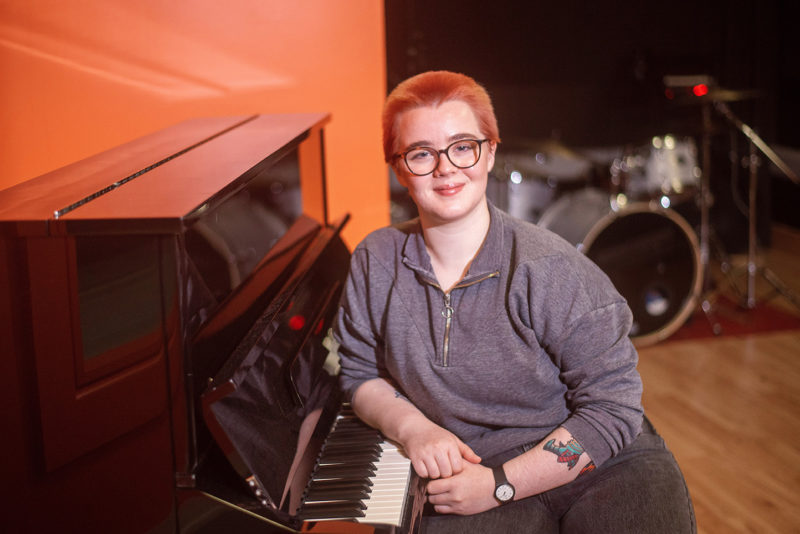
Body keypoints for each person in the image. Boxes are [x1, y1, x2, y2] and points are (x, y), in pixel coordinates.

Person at [333, 70, 696, 533]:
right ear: (399, 168)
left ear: (490, 153)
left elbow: (613, 410)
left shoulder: (551, 269)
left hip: (596, 461)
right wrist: (414, 429)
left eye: (463, 146)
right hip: (470, 469)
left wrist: (500, 485)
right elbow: (359, 374)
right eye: (422, 153)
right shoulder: (375, 260)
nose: (446, 167)